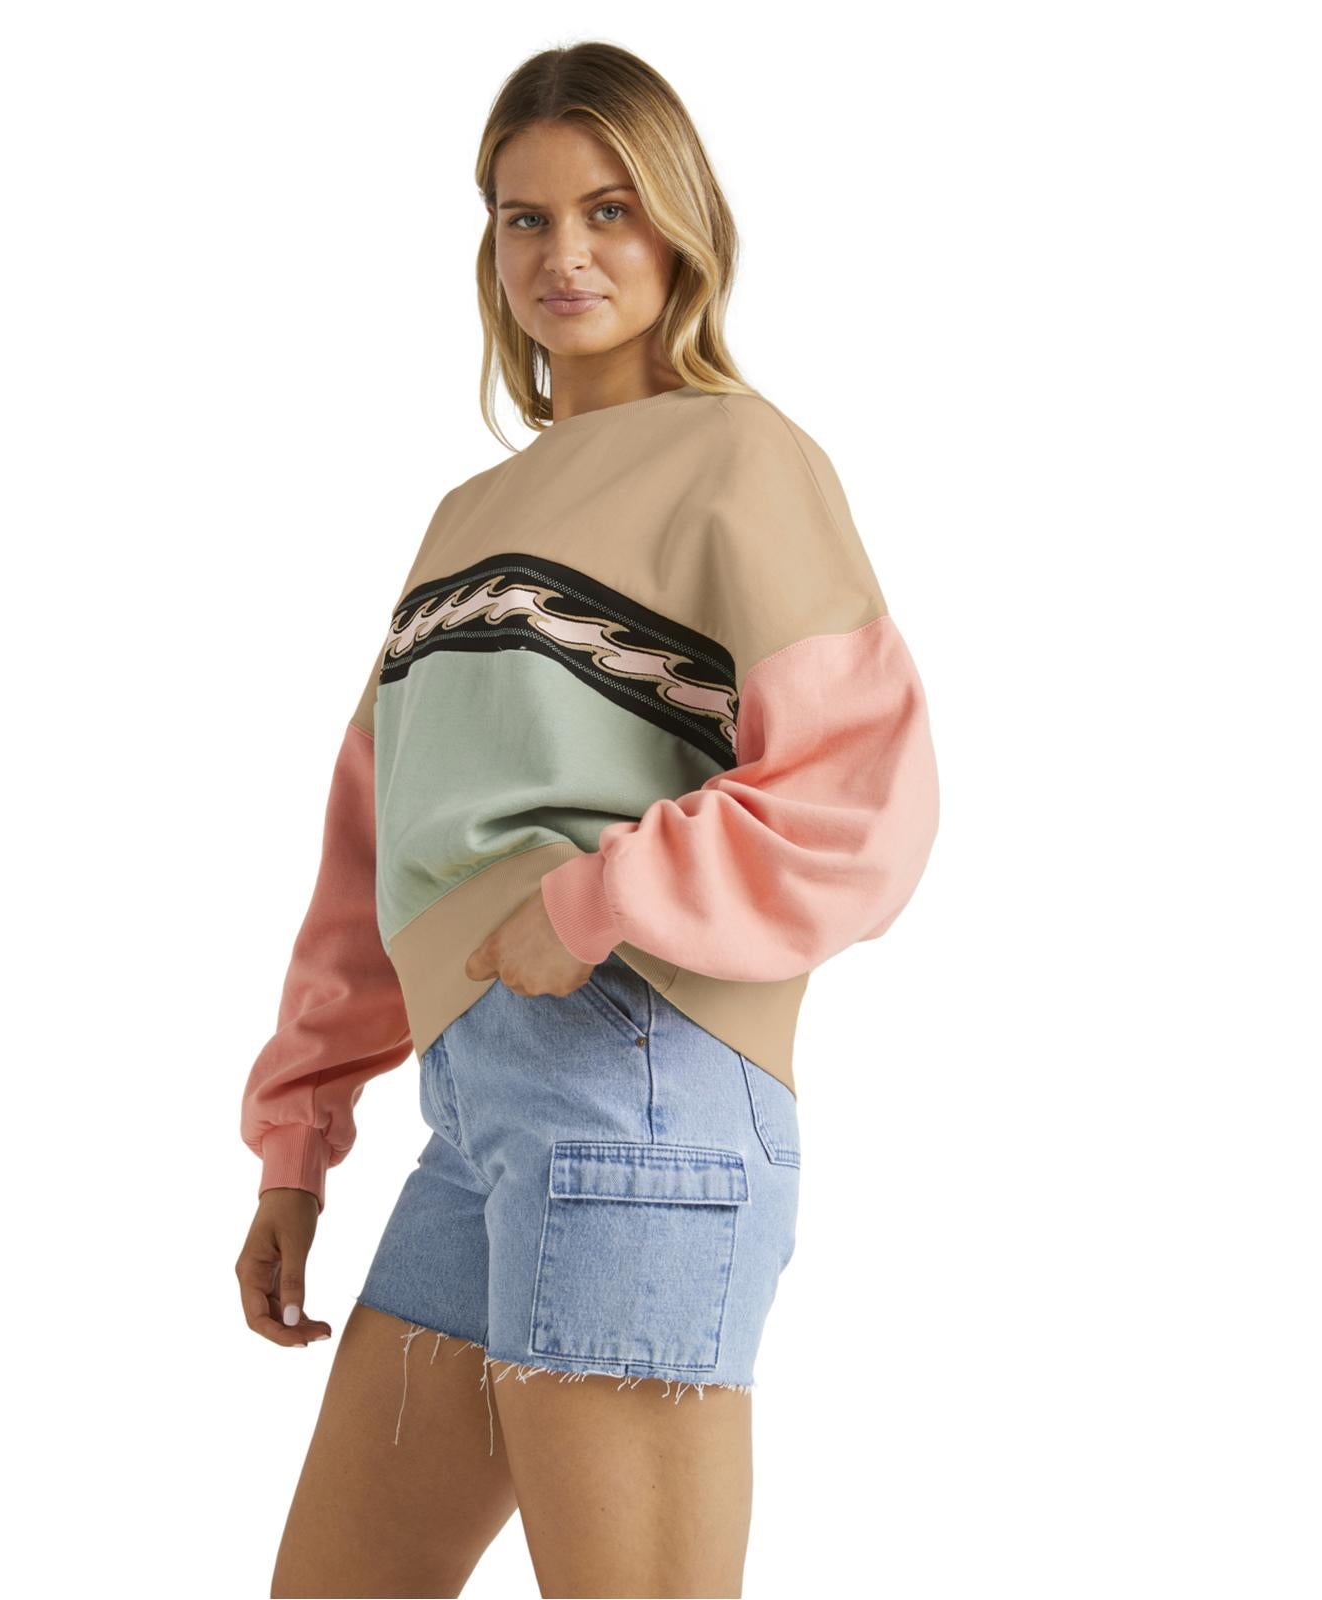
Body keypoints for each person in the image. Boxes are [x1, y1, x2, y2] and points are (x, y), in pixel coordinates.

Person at [234, 40, 941, 1599]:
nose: (567, 254)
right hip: (473, 1117)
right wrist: (297, 1142)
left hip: (642, 1085)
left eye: (610, 210)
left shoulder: (741, 456)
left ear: (681, 227)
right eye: (526, 218)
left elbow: (860, 794)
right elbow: (376, 849)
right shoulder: (463, 523)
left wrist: (591, 903)